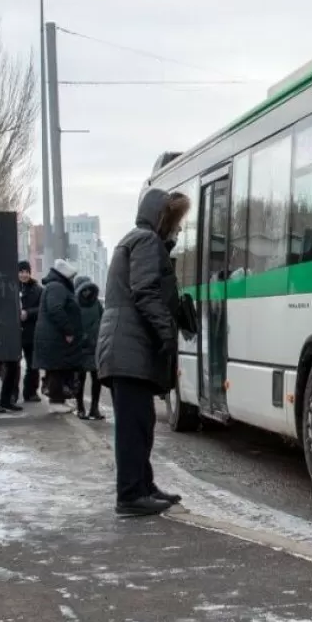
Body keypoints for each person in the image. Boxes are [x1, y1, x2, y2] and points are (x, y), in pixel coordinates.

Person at [98, 188, 191, 517]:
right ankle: (130, 494)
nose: (178, 230)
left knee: (141, 422)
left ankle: (143, 485)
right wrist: (166, 331)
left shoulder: (139, 240)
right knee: (134, 426)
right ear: (162, 218)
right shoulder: (146, 242)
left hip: (126, 347)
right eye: (176, 223)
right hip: (130, 348)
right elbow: (146, 290)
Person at [34, 258, 83, 413]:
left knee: (58, 368)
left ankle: (59, 399)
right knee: (56, 368)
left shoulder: (55, 286)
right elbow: (55, 309)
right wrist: (68, 330)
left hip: (53, 337)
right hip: (54, 338)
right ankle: (55, 401)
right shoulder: (57, 287)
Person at [73, 274, 105, 421]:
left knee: (97, 379)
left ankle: (94, 408)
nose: (86, 292)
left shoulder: (97, 304)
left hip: (95, 347)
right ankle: (80, 407)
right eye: (83, 289)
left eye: (88, 289)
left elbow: (104, 320)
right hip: (80, 347)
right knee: (80, 378)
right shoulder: (74, 303)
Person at [17, 261, 43, 403]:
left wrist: (28, 313)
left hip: (31, 331)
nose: (24, 274)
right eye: (21, 272)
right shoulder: (11, 286)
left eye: (26, 271)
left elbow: (42, 308)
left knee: (33, 364)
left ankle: (31, 392)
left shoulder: (38, 289)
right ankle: (12, 394)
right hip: (14, 332)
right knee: (13, 365)